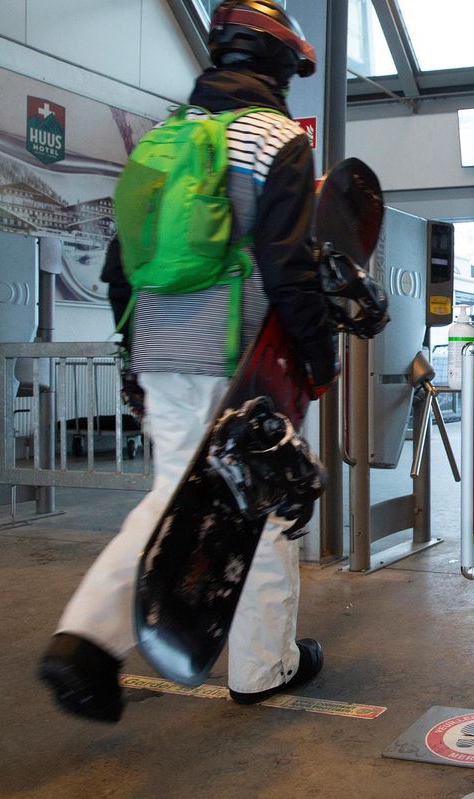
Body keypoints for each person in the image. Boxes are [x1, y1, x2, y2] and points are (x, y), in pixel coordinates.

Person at [39, 0, 337, 723]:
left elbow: (120, 268)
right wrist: (318, 354)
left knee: (172, 493)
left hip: (160, 348)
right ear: (276, 63)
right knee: (258, 506)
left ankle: (85, 639)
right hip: (243, 358)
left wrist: (132, 363)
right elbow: (288, 264)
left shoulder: (160, 140)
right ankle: (263, 665)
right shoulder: (277, 139)